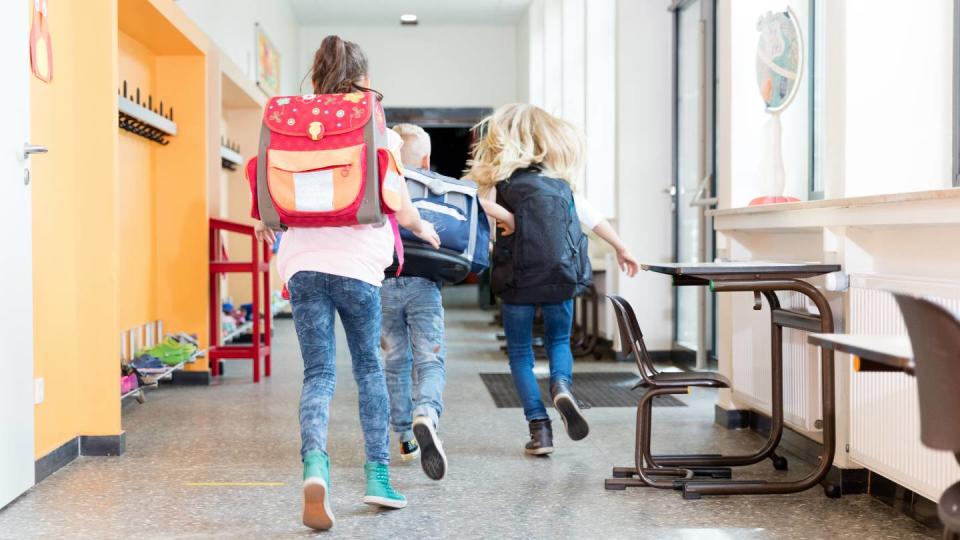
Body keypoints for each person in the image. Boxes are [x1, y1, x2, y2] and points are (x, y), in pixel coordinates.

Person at [254, 36, 440, 531]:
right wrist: (423, 228)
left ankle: (315, 466)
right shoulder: (378, 128)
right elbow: (398, 203)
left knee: (318, 374)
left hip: (302, 266)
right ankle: (378, 478)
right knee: (368, 371)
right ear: (365, 79)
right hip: (358, 267)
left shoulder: (288, 124)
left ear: (315, 79)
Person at [469, 103, 639, 456]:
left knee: (520, 353)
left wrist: (508, 219)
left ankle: (540, 429)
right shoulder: (560, 185)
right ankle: (561, 387)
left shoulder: (497, 183)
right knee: (559, 340)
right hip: (560, 277)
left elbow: (479, 214)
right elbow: (593, 220)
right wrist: (622, 248)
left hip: (516, 279)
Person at [380, 124, 448, 480]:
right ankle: (427, 413)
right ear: (426, 158)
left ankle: (405, 438)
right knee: (430, 361)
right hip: (424, 284)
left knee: (394, 361)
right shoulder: (435, 187)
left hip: (384, 283)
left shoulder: (382, 183)